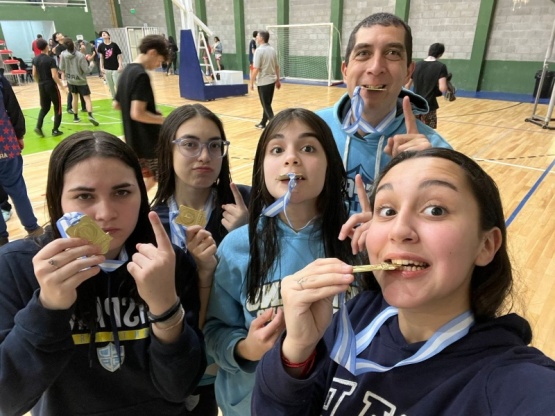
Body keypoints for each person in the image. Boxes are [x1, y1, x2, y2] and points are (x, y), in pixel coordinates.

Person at [252, 147, 555, 415]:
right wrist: (297, 351)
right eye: (387, 210)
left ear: (486, 245)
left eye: (435, 210)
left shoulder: (514, 383)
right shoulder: (355, 317)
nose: (399, 230)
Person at [0, 131, 207, 415]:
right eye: (84, 196)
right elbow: (7, 401)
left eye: (122, 192)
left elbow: (180, 387)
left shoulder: (169, 263)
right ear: (57, 198)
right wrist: (48, 307)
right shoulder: (17, 266)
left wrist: (165, 308)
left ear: (141, 193)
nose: (106, 213)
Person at [203, 108, 360, 416]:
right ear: (262, 167)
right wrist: (246, 348)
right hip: (251, 405)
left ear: (330, 165)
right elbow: (214, 332)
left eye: (308, 148)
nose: (291, 158)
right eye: (277, 149)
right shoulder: (237, 246)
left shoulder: (356, 245)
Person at [152, 103, 251, 416]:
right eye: (190, 144)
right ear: (168, 149)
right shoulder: (150, 220)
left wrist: (247, 237)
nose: (205, 156)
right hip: (178, 361)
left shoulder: (248, 203)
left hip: (232, 360)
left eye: (214, 145)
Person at [316, 13, 451, 215]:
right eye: (363, 53)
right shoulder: (310, 131)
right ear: (345, 70)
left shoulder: (437, 153)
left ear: (408, 71)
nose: (376, 67)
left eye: (392, 53)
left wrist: (428, 177)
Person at [114, 34, 169, 192]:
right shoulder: (141, 75)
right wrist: (163, 120)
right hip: (147, 141)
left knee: (148, 178)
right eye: (159, 60)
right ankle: (138, 208)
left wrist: (151, 111)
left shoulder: (127, 71)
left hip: (132, 138)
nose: (158, 65)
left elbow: (117, 104)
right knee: (157, 178)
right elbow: (137, 113)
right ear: (152, 52)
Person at [0, 71, 44, 247]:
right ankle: (33, 229)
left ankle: (1, 238)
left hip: (7, 144)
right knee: (17, 189)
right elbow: (14, 108)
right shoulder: (1, 80)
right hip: (6, 145)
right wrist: (19, 135)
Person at [406, 42, 448, 128]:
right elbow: (443, 88)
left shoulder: (416, 65)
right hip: (429, 105)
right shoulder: (441, 67)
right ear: (440, 54)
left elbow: (407, 86)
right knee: (428, 132)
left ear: (429, 51)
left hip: (415, 104)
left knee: (413, 129)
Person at [59, 38, 99, 126]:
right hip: (81, 81)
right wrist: (91, 65)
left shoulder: (63, 54)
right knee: (87, 98)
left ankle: (75, 117)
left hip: (71, 80)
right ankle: (90, 115)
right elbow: (86, 70)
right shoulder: (80, 56)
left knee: (74, 98)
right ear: (73, 44)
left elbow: (61, 67)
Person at [32, 37, 67, 137]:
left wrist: (39, 82)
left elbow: (34, 74)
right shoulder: (50, 60)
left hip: (41, 85)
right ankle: (55, 130)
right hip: (51, 85)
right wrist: (62, 87)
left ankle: (38, 126)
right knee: (58, 107)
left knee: (44, 107)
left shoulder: (35, 59)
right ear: (47, 46)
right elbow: (54, 76)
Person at [250, 30, 280, 130]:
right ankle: (263, 123)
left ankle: (274, 126)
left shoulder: (259, 51)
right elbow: (277, 66)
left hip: (263, 82)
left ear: (262, 38)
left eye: (257, 36)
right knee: (267, 103)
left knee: (266, 105)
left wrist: (251, 82)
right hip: (271, 81)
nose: (256, 38)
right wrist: (278, 80)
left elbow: (256, 68)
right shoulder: (272, 49)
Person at [97, 30, 123, 98]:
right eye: (102, 34)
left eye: (105, 33)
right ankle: (114, 98)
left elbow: (119, 56)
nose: (103, 34)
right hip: (107, 68)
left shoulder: (114, 45)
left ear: (109, 36)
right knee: (110, 85)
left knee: (117, 83)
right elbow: (101, 58)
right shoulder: (101, 46)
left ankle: (120, 97)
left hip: (115, 67)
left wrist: (120, 65)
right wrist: (101, 67)